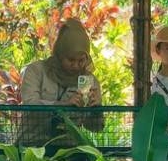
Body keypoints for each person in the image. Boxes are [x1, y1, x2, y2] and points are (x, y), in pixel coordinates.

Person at [19, 18, 104, 146]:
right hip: (32, 145)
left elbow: (96, 128)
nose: (76, 66)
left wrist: (96, 110)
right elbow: (30, 105)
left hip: (68, 150)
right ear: (60, 55)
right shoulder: (36, 71)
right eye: (70, 60)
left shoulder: (88, 81)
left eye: (81, 60)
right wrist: (62, 105)